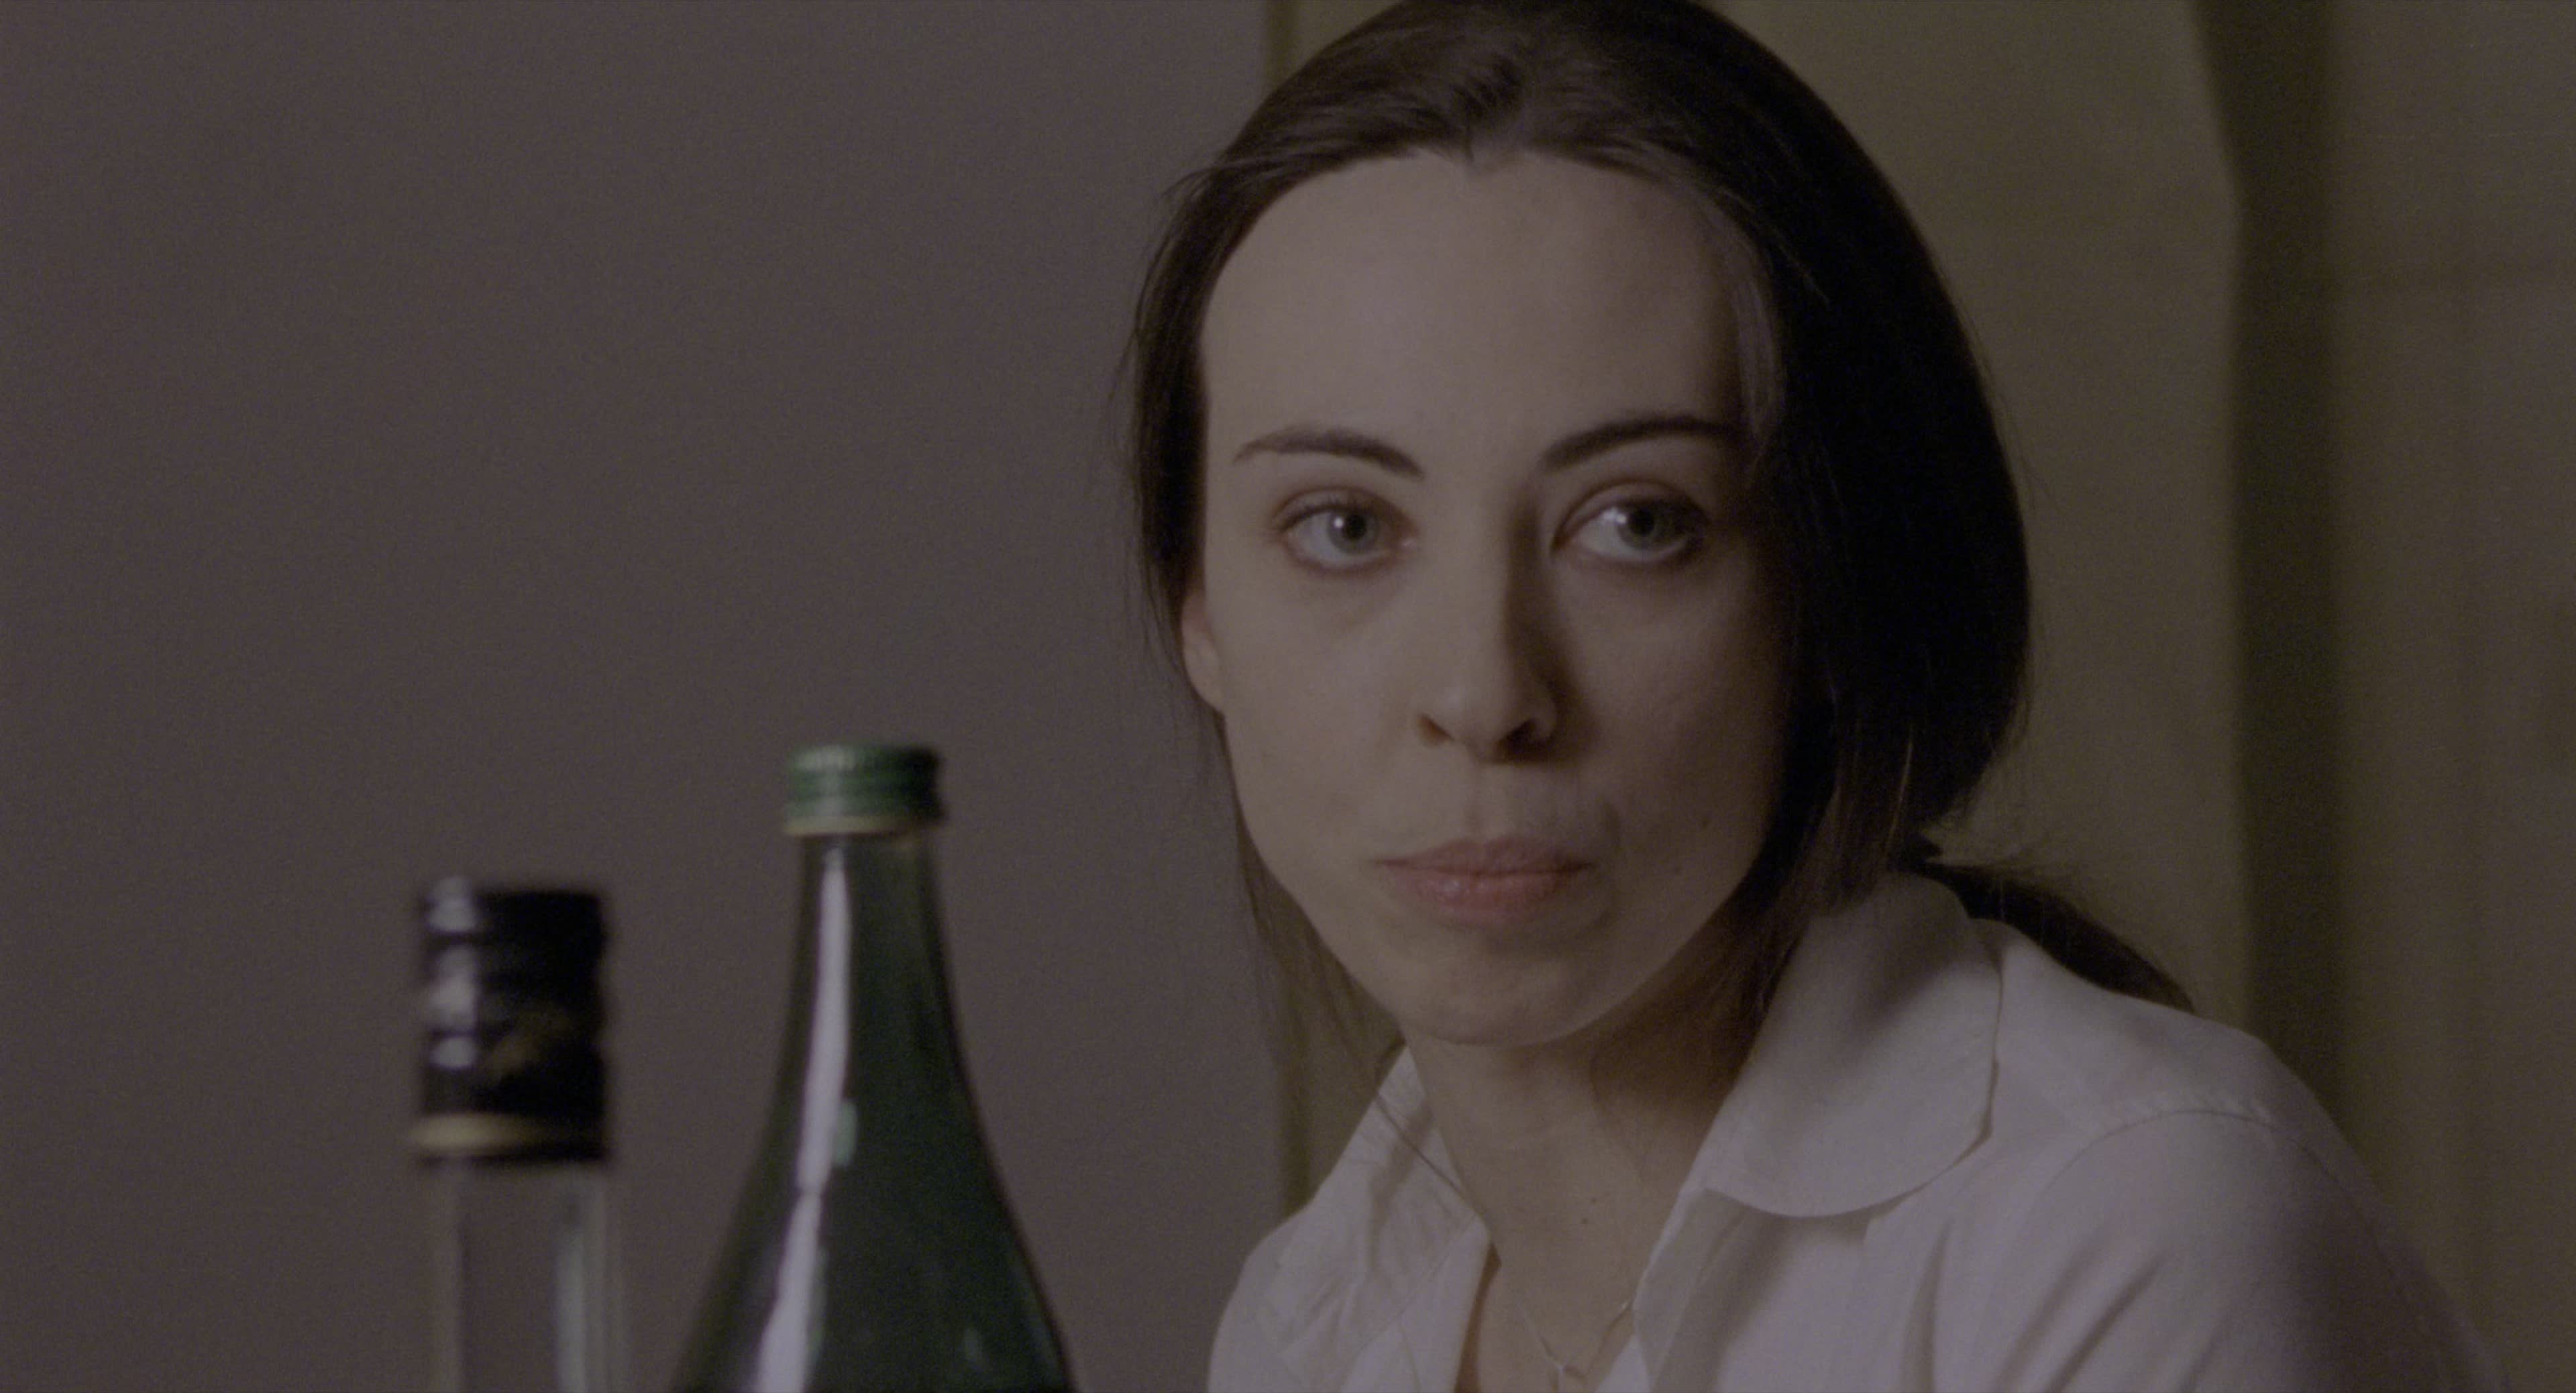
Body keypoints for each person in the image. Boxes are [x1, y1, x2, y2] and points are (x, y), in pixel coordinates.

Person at [1124, 1, 2504, 1388]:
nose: (1486, 693)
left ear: (1832, 594)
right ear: (1199, 610)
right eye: (1346, 528)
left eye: (1637, 524)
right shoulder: (1309, 1321)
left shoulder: (2120, 1229)